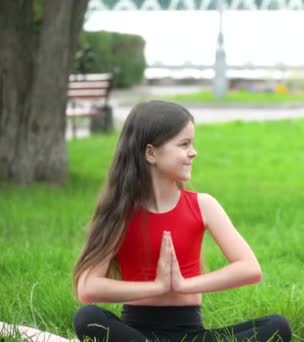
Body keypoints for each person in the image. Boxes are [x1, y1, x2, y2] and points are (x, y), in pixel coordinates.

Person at [71, 100, 292, 342]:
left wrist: (183, 284)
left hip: (192, 335)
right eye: (184, 144)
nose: (193, 152)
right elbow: (87, 287)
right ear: (151, 153)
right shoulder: (120, 212)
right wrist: (157, 286)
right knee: (88, 317)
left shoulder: (203, 205)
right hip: (136, 334)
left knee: (277, 326)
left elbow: (250, 269)